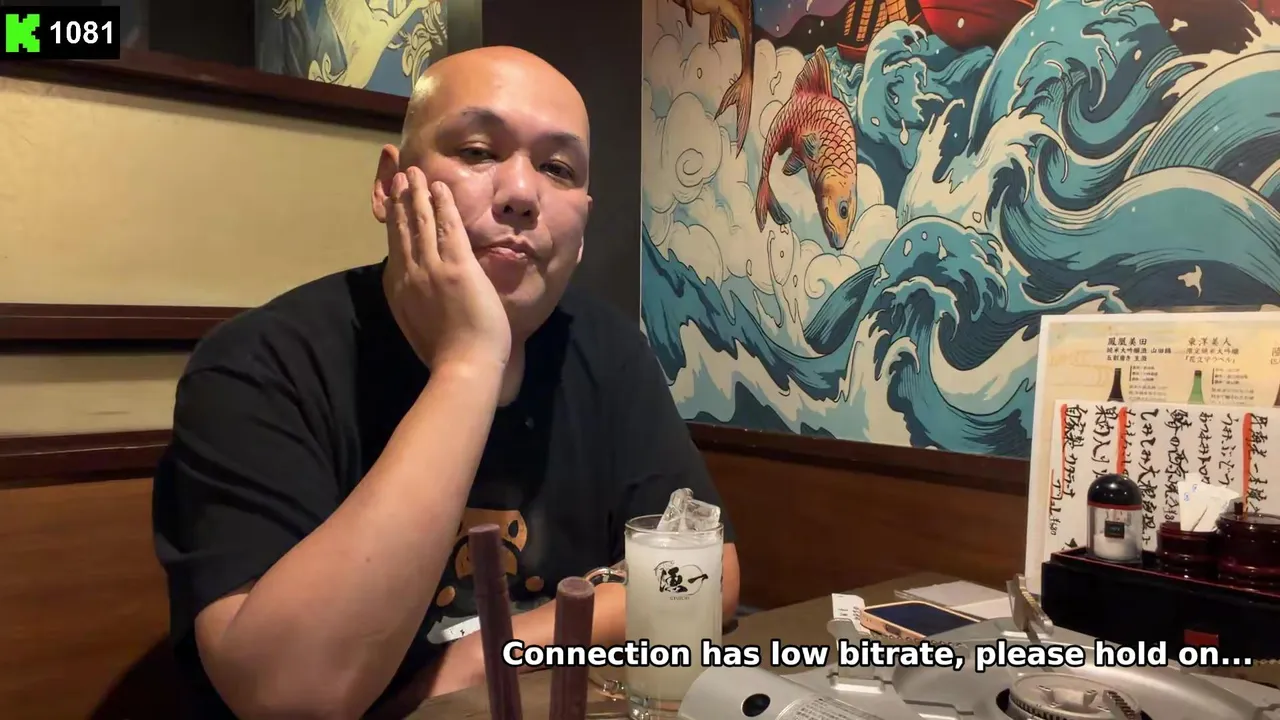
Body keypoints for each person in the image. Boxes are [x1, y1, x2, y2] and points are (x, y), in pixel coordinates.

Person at [151, 45, 740, 720]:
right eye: (478, 151)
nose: (521, 194)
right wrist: (469, 361)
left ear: (581, 225)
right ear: (390, 184)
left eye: (557, 168)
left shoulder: (606, 351)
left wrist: (488, 655)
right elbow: (290, 697)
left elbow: (708, 575)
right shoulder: (259, 365)